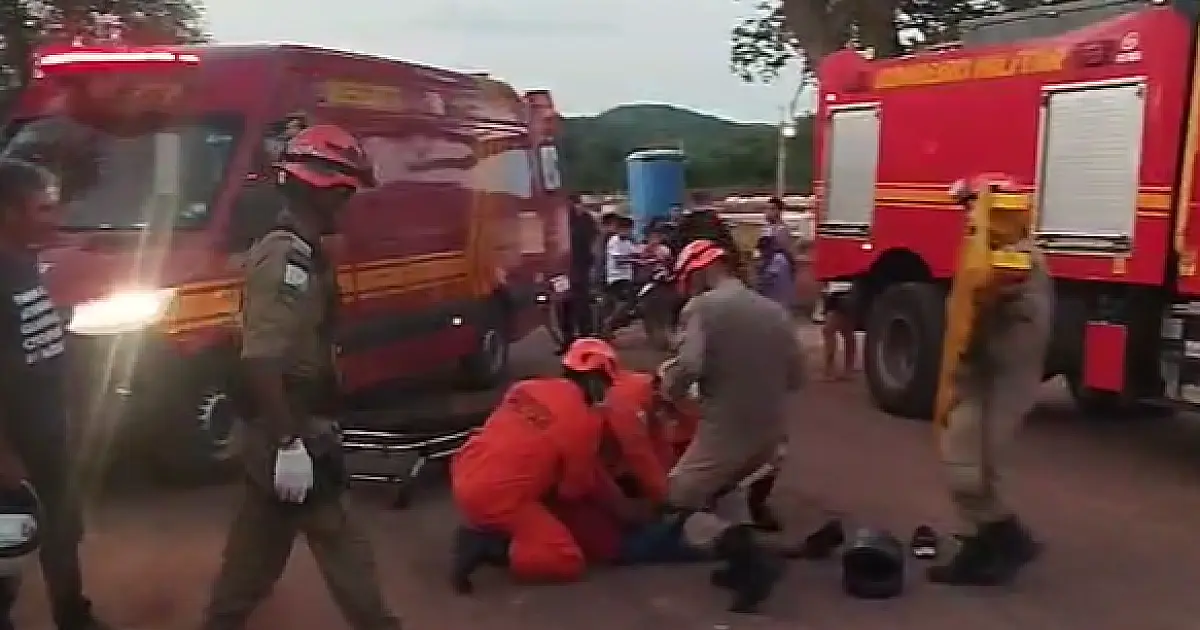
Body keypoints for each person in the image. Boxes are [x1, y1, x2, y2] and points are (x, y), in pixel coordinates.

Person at [200, 126, 403, 630]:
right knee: (340, 544)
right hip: (289, 426)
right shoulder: (285, 257)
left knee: (256, 552)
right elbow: (261, 359)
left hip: (290, 425)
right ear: (325, 191)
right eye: (346, 192)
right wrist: (289, 444)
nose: (348, 204)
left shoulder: (304, 252)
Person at [657, 239, 805, 613]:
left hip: (727, 427)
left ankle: (755, 564)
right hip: (772, 432)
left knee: (678, 498)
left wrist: (668, 389)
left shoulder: (703, 308)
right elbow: (797, 375)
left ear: (700, 272)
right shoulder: (774, 311)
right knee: (730, 492)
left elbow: (689, 365)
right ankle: (740, 566)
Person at [0, 159, 113, 630]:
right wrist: (4, 454)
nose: (55, 217)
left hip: (47, 432)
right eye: (43, 208)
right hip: (15, 442)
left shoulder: (26, 262)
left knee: (63, 529)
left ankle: (73, 616)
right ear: (8, 212)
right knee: (11, 538)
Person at [449, 338, 652, 592]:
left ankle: (495, 530)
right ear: (596, 380)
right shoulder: (584, 423)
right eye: (606, 384)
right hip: (500, 497)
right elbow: (573, 490)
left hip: (466, 469)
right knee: (565, 559)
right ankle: (491, 546)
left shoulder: (527, 387)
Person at [927, 176, 1052, 586]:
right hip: (978, 376)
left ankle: (1002, 541)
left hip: (991, 378)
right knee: (967, 466)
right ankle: (989, 543)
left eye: (972, 204)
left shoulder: (1014, 260)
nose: (968, 214)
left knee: (969, 470)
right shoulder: (995, 252)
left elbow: (1003, 325)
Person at [560, 193, 599, 350]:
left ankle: (585, 336)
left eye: (576, 204)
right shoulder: (562, 221)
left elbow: (593, 242)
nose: (574, 207)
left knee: (582, 303)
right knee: (563, 304)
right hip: (563, 270)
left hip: (581, 267)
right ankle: (568, 338)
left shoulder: (586, 220)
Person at [601, 215, 638, 337]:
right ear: (619, 229)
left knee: (628, 302)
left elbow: (637, 252)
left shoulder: (628, 242)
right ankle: (609, 323)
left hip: (626, 276)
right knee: (625, 302)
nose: (627, 232)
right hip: (616, 278)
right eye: (625, 229)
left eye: (629, 230)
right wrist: (632, 260)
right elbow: (619, 260)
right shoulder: (614, 241)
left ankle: (612, 324)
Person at [820, 282, 858, 380]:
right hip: (838, 293)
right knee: (846, 332)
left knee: (831, 331)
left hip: (842, 292)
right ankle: (847, 368)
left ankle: (832, 369)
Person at [755, 234, 796, 312]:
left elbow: (767, 279)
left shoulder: (779, 259)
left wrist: (760, 270)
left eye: (763, 250)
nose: (762, 253)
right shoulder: (775, 258)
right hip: (778, 302)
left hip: (779, 302)